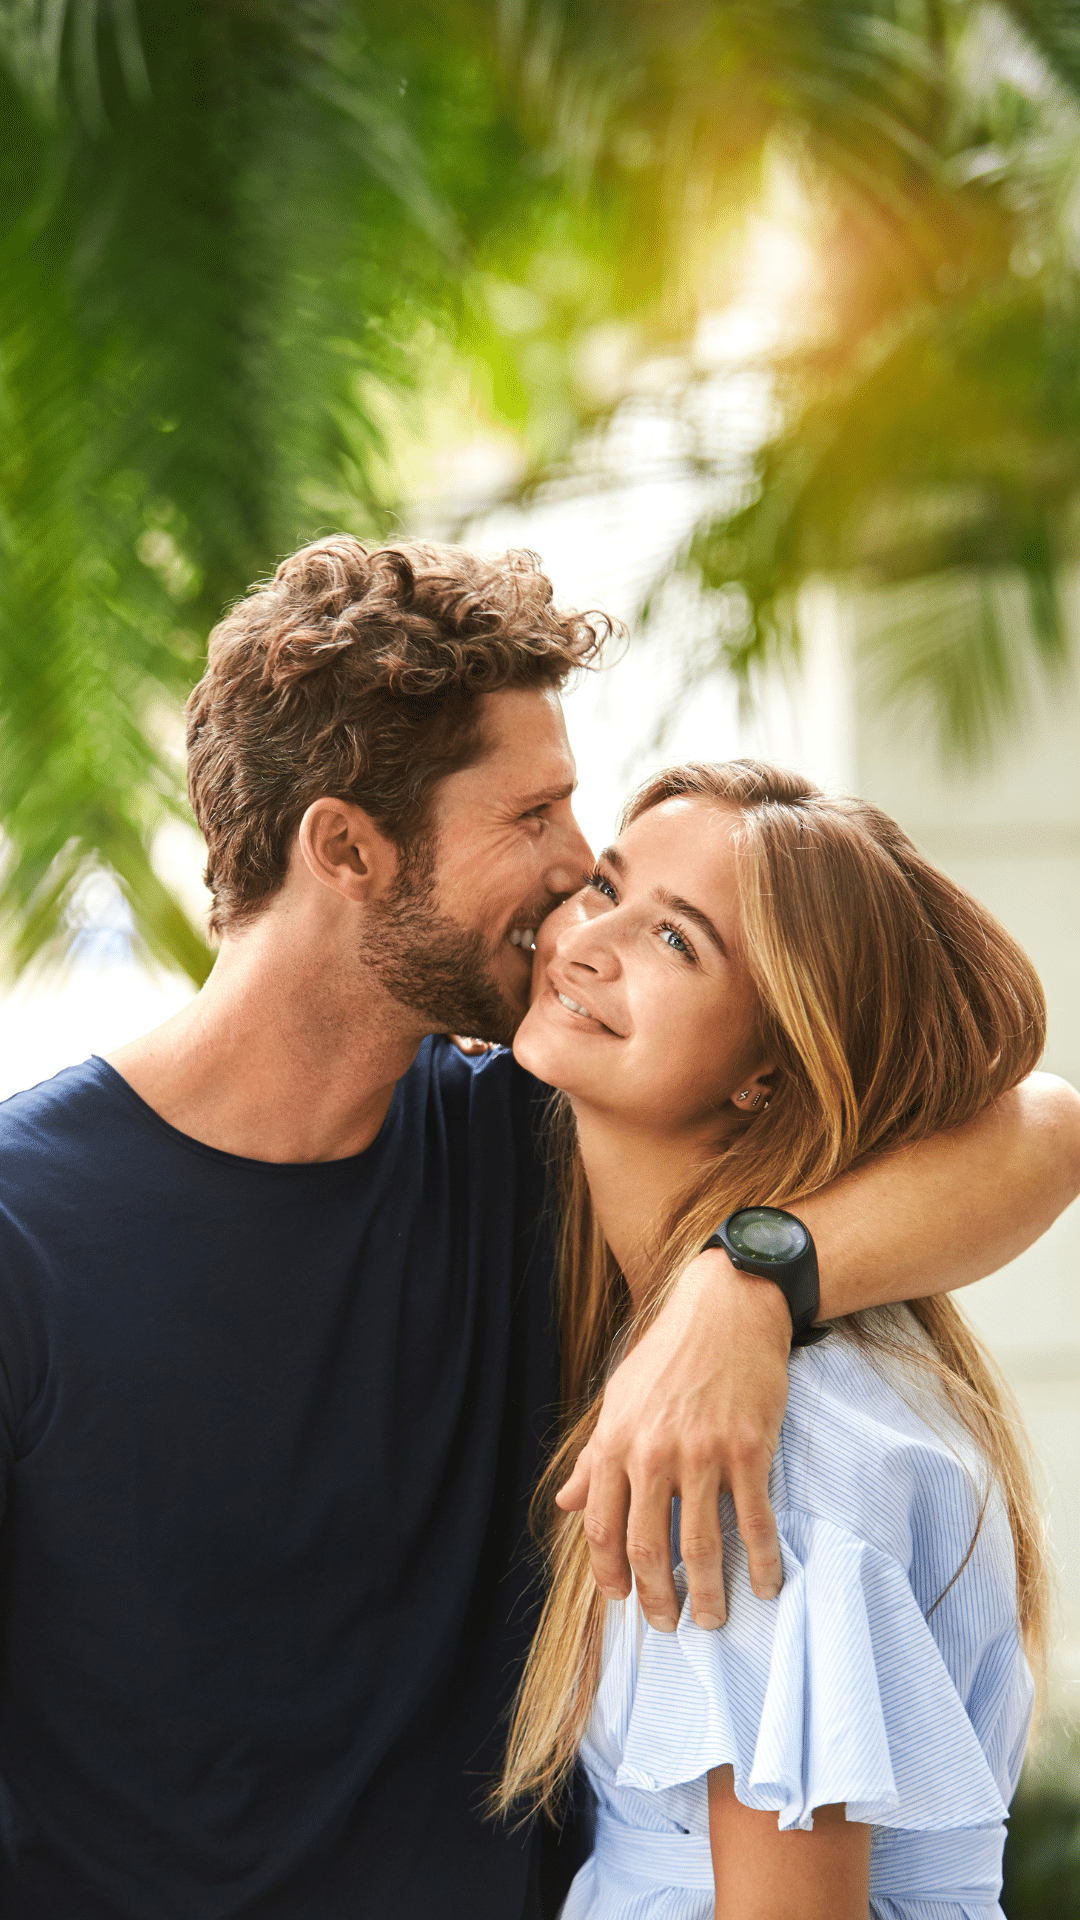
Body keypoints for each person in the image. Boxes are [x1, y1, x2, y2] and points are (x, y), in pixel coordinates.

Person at [0, 540, 1076, 1920]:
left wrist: (747, 1286)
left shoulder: (531, 1138)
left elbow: (1041, 1130)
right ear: (347, 848)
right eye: (537, 817)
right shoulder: (29, 1241)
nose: (576, 875)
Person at [499, 759, 1058, 1920]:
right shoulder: (745, 1362)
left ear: (769, 1070)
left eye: (678, 944)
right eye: (607, 889)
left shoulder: (751, 1441)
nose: (591, 945)